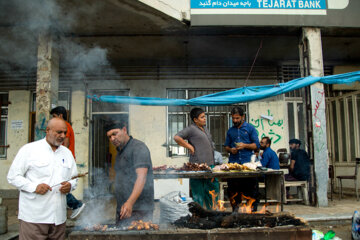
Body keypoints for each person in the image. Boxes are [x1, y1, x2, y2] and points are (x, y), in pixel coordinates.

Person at [7, 118, 78, 240]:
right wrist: (35, 187)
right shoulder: (29, 150)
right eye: (59, 132)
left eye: (64, 133)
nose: (62, 136)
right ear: (48, 130)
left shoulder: (67, 153)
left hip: (58, 219)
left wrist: (70, 185)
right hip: (34, 218)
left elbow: (74, 178)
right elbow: (13, 176)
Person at [105, 121, 154, 226]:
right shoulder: (119, 152)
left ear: (124, 130)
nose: (112, 139)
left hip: (139, 208)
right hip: (123, 208)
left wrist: (130, 203)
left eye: (115, 133)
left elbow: (142, 177)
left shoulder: (138, 148)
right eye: (109, 137)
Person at [174, 108, 219, 210]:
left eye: (204, 116)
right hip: (197, 166)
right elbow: (177, 137)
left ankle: (212, 213)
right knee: (198, 192)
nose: (204, 119)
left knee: (211, 190)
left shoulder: (205, 128)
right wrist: (189, 146)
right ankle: (199, 215)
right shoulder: (191, 129)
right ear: (195, 119)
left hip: (210, 165)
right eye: (202, 117)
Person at [50, 106, 85, 219]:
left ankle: (76, 204)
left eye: (54, 116)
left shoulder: (65, 126)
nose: (53, 119)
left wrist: (60, 158)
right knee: (60, 185)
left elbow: (65, 143)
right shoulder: (66, 125)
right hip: (65, 160)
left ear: (60, 115)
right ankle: (74, 205)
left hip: (65, 161)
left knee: (60, 185)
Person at [224, 106, 260, 212]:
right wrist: (231, 150)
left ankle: (253, 211)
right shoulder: (230, 131)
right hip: (234, 165)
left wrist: (245, 145)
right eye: (233, 118)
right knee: (233, 190)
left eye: (237, 118)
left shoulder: (250, 128)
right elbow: (226, 147)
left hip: (248, 165)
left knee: (252, 190)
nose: (235, 121)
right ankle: (235, 211)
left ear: (243, 117)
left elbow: (256, 145)